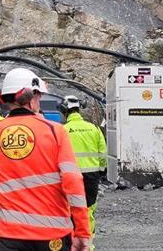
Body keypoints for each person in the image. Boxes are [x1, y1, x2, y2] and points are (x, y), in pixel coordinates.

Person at [0, 68, 91, 251]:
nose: (39, 100)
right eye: (39, 95)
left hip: (8, 234)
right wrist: (82, 231)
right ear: (31, 95)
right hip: (51, 234)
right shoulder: (55, 130)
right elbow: (73, 182)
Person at [61, 95, 107, 249]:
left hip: (70, 177)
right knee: (88, 210)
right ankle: (88, 246)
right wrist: (100, 171)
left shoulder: (63, 130)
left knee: (70, 211)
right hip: (91, 177)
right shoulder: (93, 128)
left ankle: (72, 244)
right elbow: (103, 153)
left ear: (65, 112)